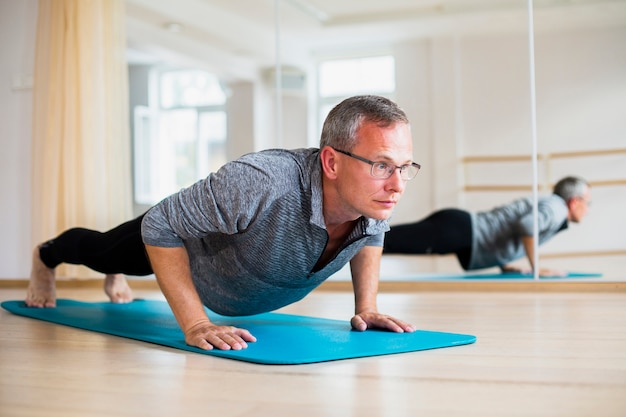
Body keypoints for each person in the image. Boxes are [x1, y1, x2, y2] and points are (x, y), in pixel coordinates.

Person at [26, 95, 421, 350]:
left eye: (404, 167)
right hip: (183, 243)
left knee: (114, 260)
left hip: (226, 275)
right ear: (332, 162)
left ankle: (114, 270)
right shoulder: (263, 181)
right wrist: (196, 323)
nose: (397, 184)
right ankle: (45, 256)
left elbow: (369, 237)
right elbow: (161, 225)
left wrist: (366, 307)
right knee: (99, 250)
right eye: (382, 165)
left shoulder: (372, 197)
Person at [383, 176, 591, 276]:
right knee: (383, 241)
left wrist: (505, 262)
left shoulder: (552, 207)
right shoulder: (556, 208)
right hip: (460, 230)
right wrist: (537, 270)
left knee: (384, 242)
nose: (587, 208)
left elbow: (509, 226)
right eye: (587, 203)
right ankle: (352, 236)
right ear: (574, 201)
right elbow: (527, 225)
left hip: (462, 231)